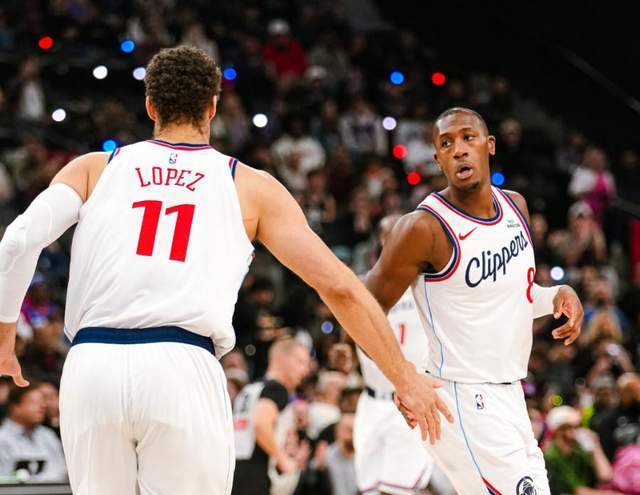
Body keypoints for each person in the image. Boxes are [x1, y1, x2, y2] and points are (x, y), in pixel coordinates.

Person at [0, 46, 450, 495]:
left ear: (150, 106)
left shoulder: (93, 169)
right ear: (213, 107)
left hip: (91, 366)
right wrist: (404, 377)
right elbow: (340, 287)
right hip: (181, 364)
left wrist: (5, 338)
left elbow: (17, 242)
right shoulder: (248, 185)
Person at [364, 107, 584, 494]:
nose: (459, 149)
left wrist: (555, 296)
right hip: (463, 399)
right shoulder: (423, 228)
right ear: (438, 158)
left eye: (468, 138)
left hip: (510, 393)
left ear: (490, 145)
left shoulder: (515, 206)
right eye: (447, 143)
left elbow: (512, 298)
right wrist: (403, 375)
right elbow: (362, 308)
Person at [353, 215, 437, 495]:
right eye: (390, 236)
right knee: (369, 490)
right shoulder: (363, 286)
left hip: (410, 397)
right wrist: (344, 349)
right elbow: (349, 330)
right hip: (371, 400)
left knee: (398, 490)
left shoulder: (430, 285)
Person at [232, 338, 310, 495]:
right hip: (255, 479)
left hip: (233, 473)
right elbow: (261, 424)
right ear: (281, 359)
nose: (305, 370)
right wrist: (283, 460)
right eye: (300, 362)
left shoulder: (250, 388)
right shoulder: (277, 389)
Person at [0, 383, 66, 482]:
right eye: (34, 402)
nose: (42, 406)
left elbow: (61, 471)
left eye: (42, 402)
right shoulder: (2, 439)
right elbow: (4, 480)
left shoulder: (47, 435)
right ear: (16, 407)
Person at [544, 406, 615, 495]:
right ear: (559, 431)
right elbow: (578, 491)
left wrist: (595, 447)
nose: (578, 431)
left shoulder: (578, 451)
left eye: (578, 426)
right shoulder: (552, 456)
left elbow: (606, 476)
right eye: (572, 427)